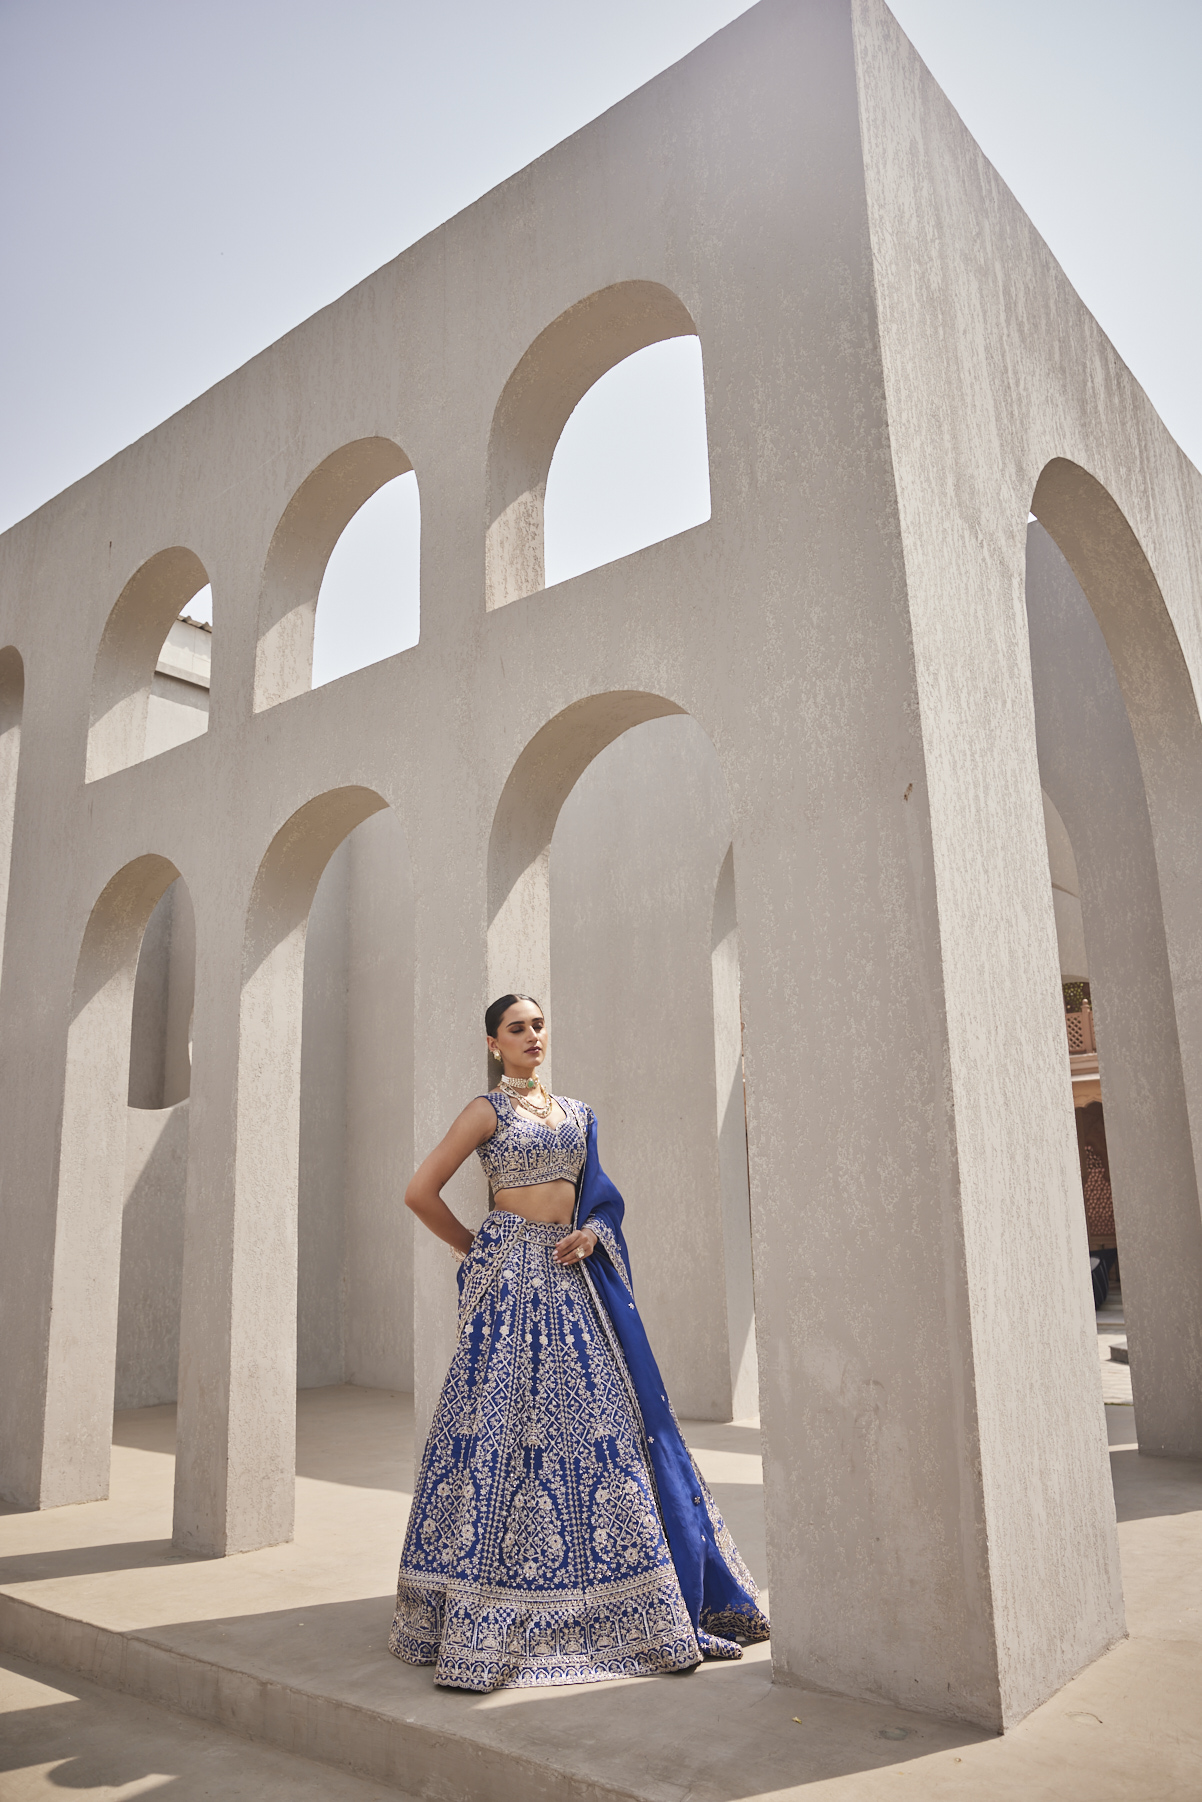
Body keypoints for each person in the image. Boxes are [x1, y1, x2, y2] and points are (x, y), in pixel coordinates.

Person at [388, 993, 769, 1691]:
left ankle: (633, 1602)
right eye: (517, 1028)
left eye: (538, 1025)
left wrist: (594, 1233)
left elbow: (599, 1200)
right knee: (502, 1428)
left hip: (574, 1278)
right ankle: (491, 1608)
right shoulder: (486, 1111)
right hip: (510, 1281)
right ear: (493, 1043)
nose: (533, 1035)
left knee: (605, 1429)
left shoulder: (579, 1114)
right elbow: (420, 1191)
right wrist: (478, 1250)